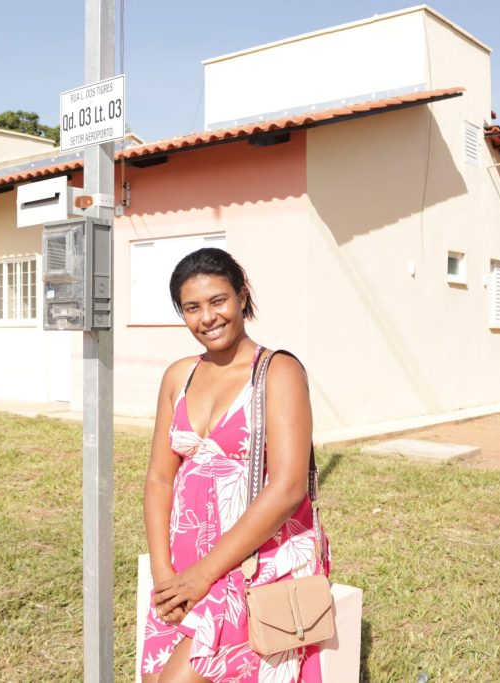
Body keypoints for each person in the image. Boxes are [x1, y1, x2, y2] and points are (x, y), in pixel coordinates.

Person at [141, 248, 329, 682]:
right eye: (192, 307)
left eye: (218, 301)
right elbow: (159, 479)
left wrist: (202, 576)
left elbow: (288, 487)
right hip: (183, 565)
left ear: (242, 298)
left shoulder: (278, 372)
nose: (207, 317)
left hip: (251, 563)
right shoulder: (179, 376)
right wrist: (163, 572)